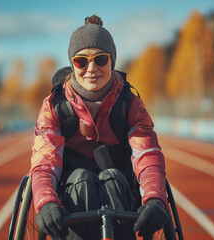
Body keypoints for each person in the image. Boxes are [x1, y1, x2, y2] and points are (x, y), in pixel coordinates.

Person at [30, 15, 168, 240]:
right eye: (81, 61)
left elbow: (148, 156)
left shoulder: (130, 104)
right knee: (81, 179)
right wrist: (46, 202)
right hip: (70, 194)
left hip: (121, 193)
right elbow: (45, 162)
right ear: (72, 64)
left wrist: (154, 199)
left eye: (100, 59)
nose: (91, 68)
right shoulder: (54, 106)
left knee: (112, 178)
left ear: (112, 61)